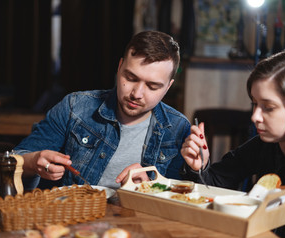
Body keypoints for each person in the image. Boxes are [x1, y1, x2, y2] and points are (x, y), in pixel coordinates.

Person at [180, 48, 285, 238]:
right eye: (254, 104)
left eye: (268, 107)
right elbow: (213, 186)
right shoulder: (264, 146)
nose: (255, 117)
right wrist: (199, 167)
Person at [14, 30, 191, 190]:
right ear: (119, 66)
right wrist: (33, 162)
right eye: (130, 78)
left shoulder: (178, 128)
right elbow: (13, 160)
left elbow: (180, 197)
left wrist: (152, 188)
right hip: (70, 217)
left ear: (168, 87)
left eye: (152, 87)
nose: (137, 94)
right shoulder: (75, 107)